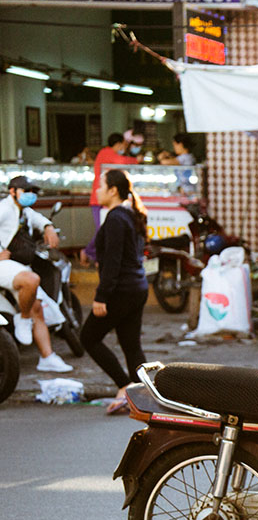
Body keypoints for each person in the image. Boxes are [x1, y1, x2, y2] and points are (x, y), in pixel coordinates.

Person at [81, 169, 150, 414]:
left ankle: (124, 386)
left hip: (122, 290)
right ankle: (145, 395)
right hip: (136, 287)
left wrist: (101, 296)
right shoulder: (128, 214)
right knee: (131, 345)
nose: (97, 191)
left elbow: (113, 262)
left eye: (100, 186)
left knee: (88, 337)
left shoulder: (116, 218)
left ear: (112, 190)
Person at [0, 175, 72, 372]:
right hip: (5, 265)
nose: (30, 195)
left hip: (16, 266)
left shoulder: (24, 211)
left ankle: (47, 357)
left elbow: (38, 219)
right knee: (32, 280)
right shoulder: (4, 209)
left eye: (33, 192)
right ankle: (23, 319)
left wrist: (48, 227)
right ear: (13, 191)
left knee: (38, 308)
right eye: (26, 191)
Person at [84, 131, 140, 264]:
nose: (123, 149)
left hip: (104, 198)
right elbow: (122, 162)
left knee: (103, 229)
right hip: (99, 199)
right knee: (101, 229)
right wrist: (137, 160)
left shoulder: (107, 153)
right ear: (119, 144)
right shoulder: (106, 153)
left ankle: (95, 255)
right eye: (122, 145)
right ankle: (89, 252)